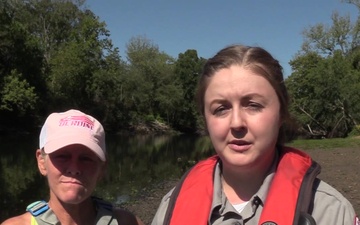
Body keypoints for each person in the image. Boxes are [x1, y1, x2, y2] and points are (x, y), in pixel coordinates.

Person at [151, 45, 357, 225]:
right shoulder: (171, 208)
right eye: (221, 108)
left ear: (281, 114)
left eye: (253, 105)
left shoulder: (330, 211)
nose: (237, 123)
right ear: (206, 119)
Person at [1, 109, 144, 225]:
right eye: (62, 156)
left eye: (86, 158)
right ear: (42, 162)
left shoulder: (127, 222)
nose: (74, 168)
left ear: (102, 168)